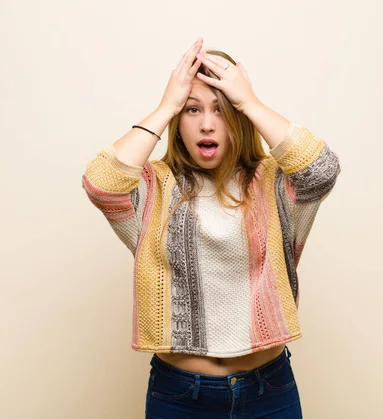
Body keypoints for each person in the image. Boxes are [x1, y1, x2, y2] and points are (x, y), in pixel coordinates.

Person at [82, 37, 341, 418]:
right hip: (179, 396)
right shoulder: (152, 187)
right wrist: (166, 105)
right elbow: (100, 182)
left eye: (221, 110)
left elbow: (321, 171)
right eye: (192, 110)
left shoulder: (274, 183)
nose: (206, 124)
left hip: (269, 390)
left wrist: (249, 102)